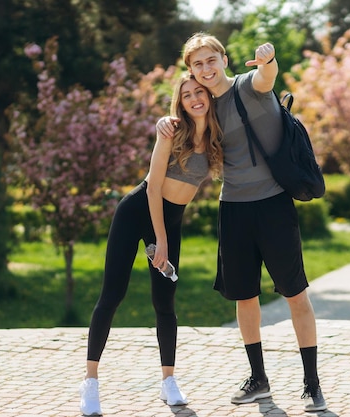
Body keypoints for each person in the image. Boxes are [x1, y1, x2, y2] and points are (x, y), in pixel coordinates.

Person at [156, 32, 327, 412]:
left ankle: (312, 383)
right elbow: (180, 126)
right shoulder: (204, 107)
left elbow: (266, 78)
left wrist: (268, 60)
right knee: (244, 297)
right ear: (191, 72)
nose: (206, 69)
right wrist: (163, 124)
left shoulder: (249, 87)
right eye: (197, 65)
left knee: (295, 294)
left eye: (210, 60)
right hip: (233, 209)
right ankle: (258, 379)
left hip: (273, 207)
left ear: (224, 59)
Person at [79, 73, 223, 416]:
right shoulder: (171, 132)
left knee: (165, 302)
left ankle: (168, 381)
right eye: (186, 94)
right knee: (112, 296)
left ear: (208, 95)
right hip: (138, 212)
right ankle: (90, 381)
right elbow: (154, 188)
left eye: (198, 92)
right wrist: (160, 241)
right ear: (181, 102)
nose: (194, 99)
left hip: (171, 221)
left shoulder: (217, 138)